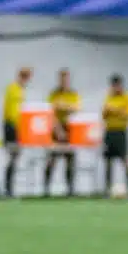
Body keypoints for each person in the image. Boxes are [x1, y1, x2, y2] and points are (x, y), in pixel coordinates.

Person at [44, 68, 82, 197]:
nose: (64, 81)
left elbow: (76, 108)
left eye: (66, 79)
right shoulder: (53, 94)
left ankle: (70, 190)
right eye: (61, 79)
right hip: (56, 129)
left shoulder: (73, 94)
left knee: (70, 160)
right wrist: (58, 129)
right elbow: (49, 112)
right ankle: (46, 189)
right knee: (51, 159)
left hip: (70, 129)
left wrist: (61, 106)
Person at [101, 74, 128, 197]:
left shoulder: (127, 97)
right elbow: (104, 114)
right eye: (113, 85)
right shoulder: (108, 97)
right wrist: (111, 111)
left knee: (125, 160)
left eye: (117, 85)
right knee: (108, 162)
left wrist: (114, 110)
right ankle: (107, 189)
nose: (115, 88)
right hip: (109, 132)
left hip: (121, 132)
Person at [2, 67, 31, 198]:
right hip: (11, 128)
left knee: (14, 157)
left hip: (14, 127)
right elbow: (12, 113)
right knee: (13, 157)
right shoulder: (14, 89)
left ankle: (10, 188)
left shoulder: (19, 90)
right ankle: (8, 189)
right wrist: (17, 129)